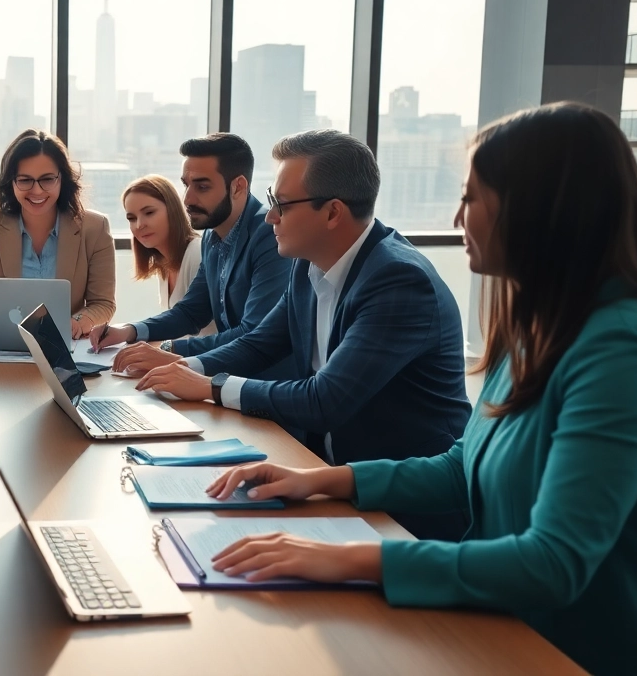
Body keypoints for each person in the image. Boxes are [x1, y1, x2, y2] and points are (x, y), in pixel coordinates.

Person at [203, 103, 637, 676]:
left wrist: (349, 559)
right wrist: (318, 480)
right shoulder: (536, 329)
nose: (459, 219)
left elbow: (553, 563)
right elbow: (463, 466)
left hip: (562, 652)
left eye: (472, 198)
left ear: (535, 210)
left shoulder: (616, 351)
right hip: (490, 623)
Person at [136, 129, 469, 540]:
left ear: (332, 213)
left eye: (281, 205)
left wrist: (210, 386)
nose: (270, 216)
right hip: (323, 479)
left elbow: (325, 400)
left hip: (402, 512)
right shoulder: (306, 262)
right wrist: (182, 369)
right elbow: (261, 343)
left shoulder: (399, 280)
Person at [92, 134, 292, 379]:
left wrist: (170, 349)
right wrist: (129, 331)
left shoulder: (269, 236)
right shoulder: (212, 235)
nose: (187, 198)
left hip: (264, 388)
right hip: (227, 380)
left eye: (202, 186)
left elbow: (252, 333)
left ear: (238, 186)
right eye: (186, 184)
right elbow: (191, 312)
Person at [0, 129, 115, 339]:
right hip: (4, 346)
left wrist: (76, 323)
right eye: (25, 180)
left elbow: (103, 303)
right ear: (11, 182)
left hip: (67, 346)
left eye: (47, 179)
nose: (37, 191)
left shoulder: (95, 228)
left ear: (62, 179)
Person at [121, 175, 200, 311]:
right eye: (132, 218)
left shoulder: (197, 253)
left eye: (149, 212)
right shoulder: (164, 265)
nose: (139, 225)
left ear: (172, 210)